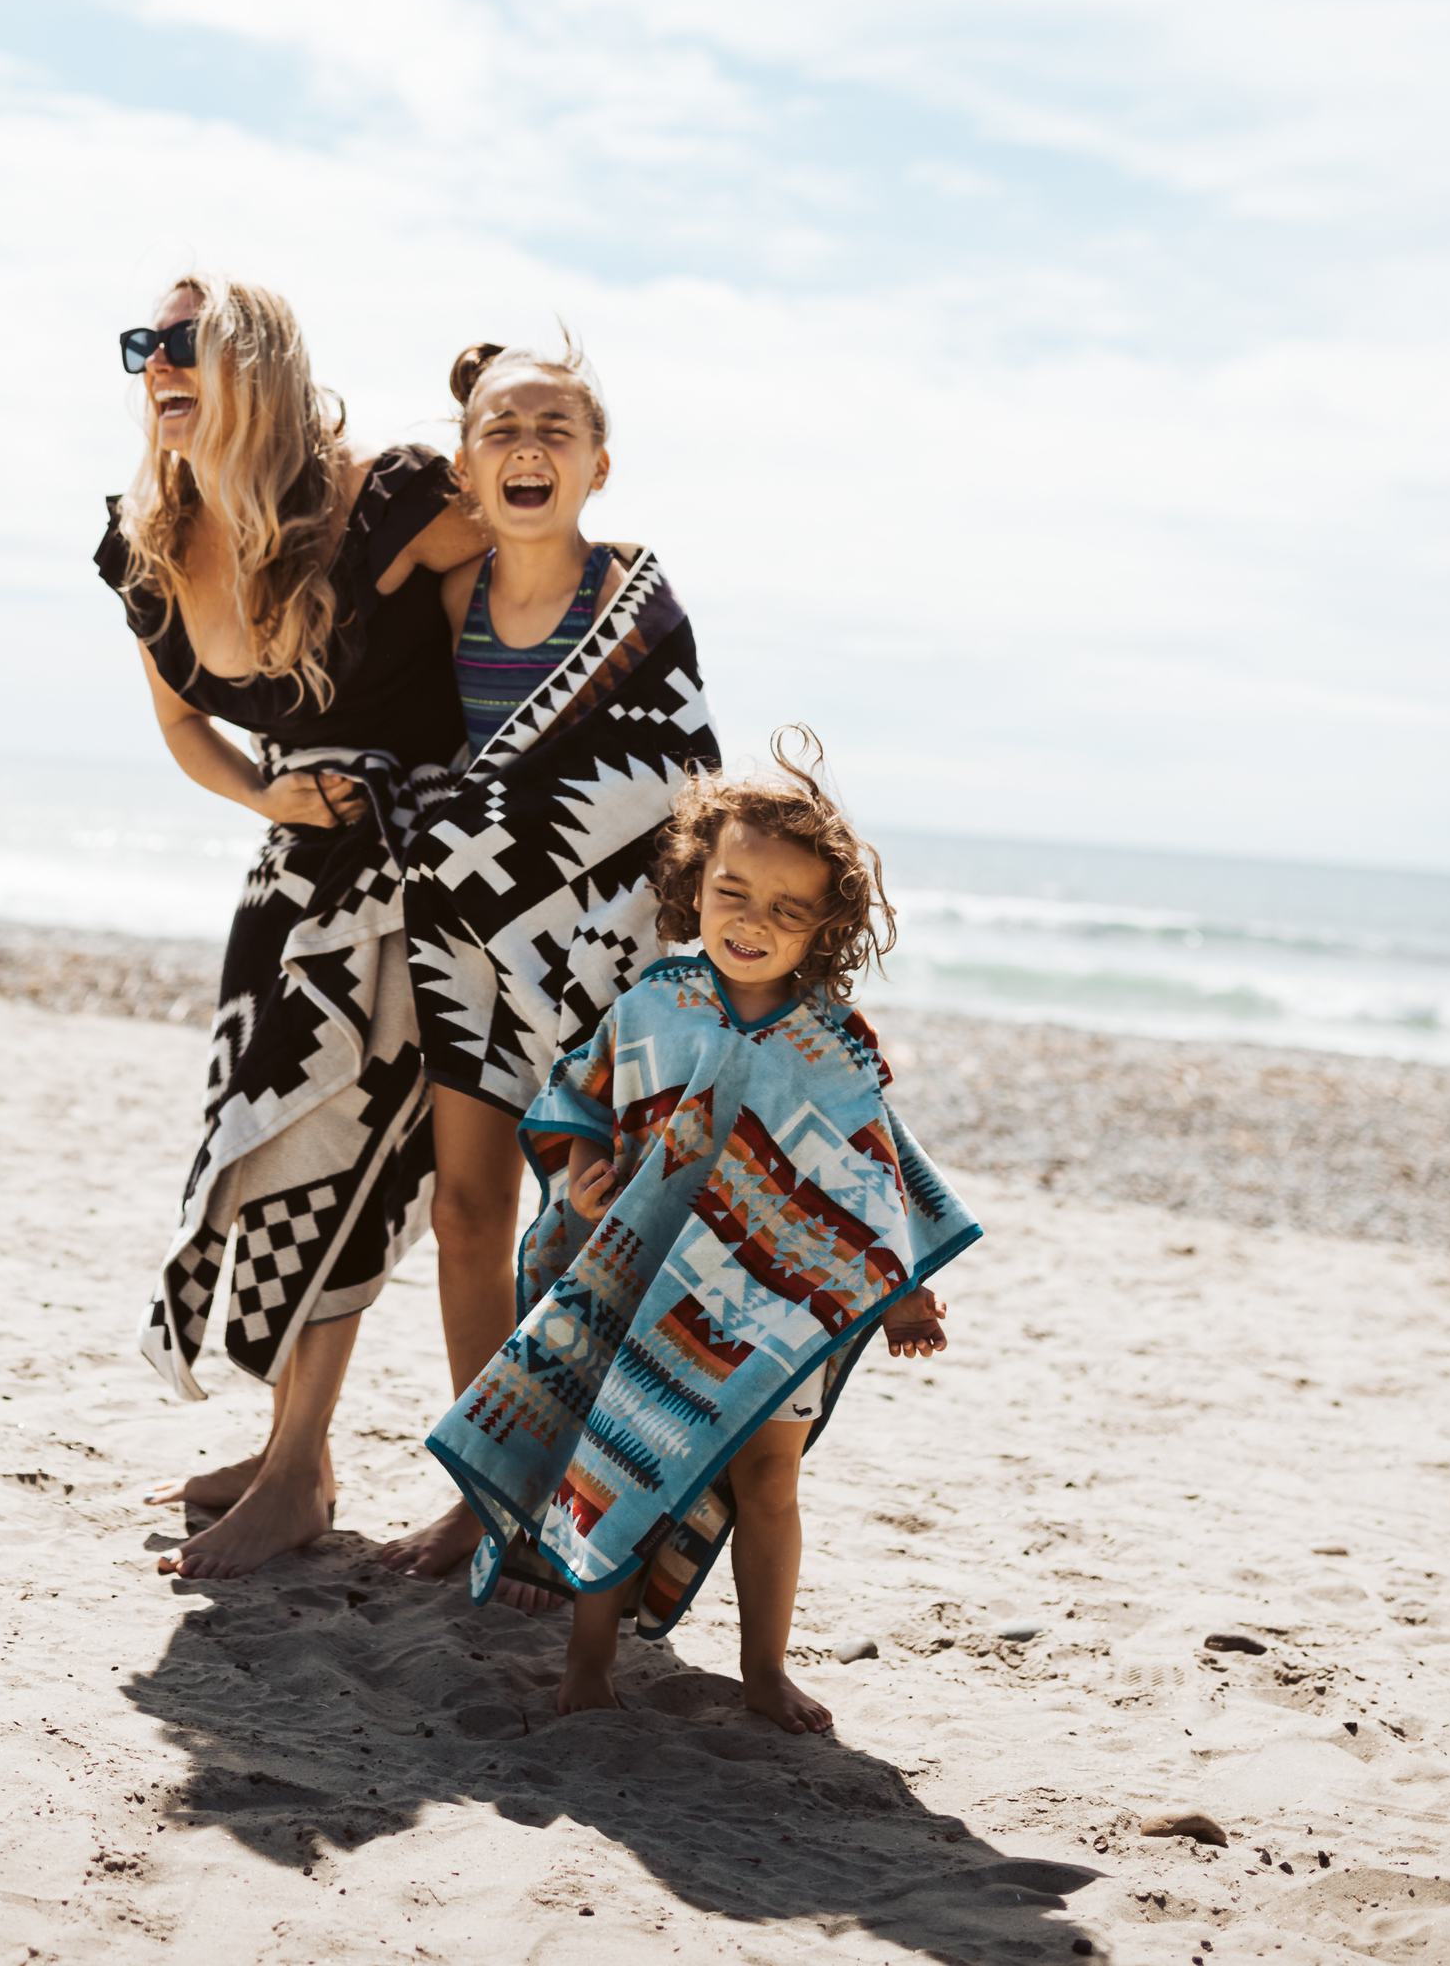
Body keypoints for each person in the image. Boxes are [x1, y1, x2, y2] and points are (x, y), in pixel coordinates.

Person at [426, 733, 980, 1730]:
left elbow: (867, 1177)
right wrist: (574, 1177)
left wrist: (899, 1292)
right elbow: (573, 1100)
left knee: (768, 1480)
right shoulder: (652, 1007)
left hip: (776, 1302)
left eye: (785, 910)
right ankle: (587, 1654)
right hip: (648, 1291)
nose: (751, 922)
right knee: (624, 1454)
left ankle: (761, 1670)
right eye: (732, 892)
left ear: (824, 927)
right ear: (695, 884)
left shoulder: (833, 1044)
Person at [94, 273, 485, 1577]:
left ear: (256, 364)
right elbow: (177, 729)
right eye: (140, 343)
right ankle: (290, 1456)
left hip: (421, 885)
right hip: (294, 882)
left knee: (354, 1165)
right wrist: (270, 789)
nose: (155, 361)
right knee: (270, 1151)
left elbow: (536, 601)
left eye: (184, 342)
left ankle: (298, 1472)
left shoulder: (389, 500)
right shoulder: (145, 544)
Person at [379, 337, 720, 1598]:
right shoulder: (438, 602)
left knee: (590, 1229)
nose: (527, 446)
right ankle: (483, 1495)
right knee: (467, 1214)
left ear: (597, 464)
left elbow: (675, 774)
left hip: (603, 955)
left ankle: (587, 1498)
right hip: (465, 947)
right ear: (466, 464)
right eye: (499, 428)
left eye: (553, 428)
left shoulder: (635, 599)